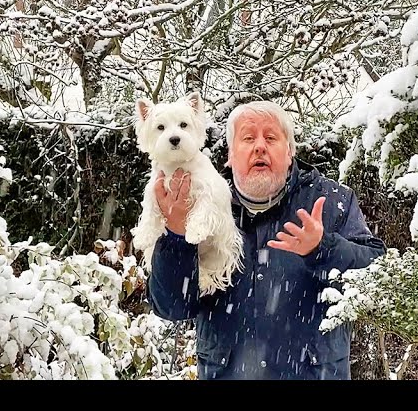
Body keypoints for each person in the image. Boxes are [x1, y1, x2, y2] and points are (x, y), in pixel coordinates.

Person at [146, 100, 386, 379]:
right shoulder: (195, 202)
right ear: (230, 155)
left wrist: (322, 249)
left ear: (290, 151)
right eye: (248, 138)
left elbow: (378, 278)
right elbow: (172, 307)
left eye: (271, 137)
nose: (260, 146)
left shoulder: (330, 201)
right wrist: (177, 234)